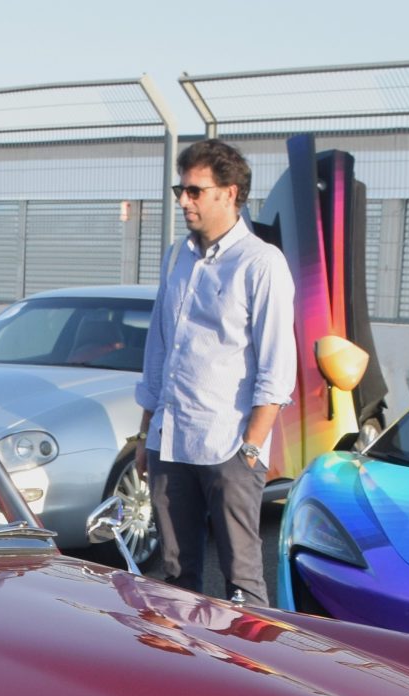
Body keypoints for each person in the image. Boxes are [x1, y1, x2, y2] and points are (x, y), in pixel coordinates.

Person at [135, 138, 295, 605]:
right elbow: (159, 350)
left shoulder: (261, 263)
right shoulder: (176, 257)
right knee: (176, 576)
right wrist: (147, 433)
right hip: (172, 439)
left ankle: (250, 673)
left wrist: (250, 447)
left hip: (228, 445)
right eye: (180, 190)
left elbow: (276, 364)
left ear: (230, 193)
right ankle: (182, 670)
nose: (184, 201)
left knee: (242, 579)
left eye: (195, 191)